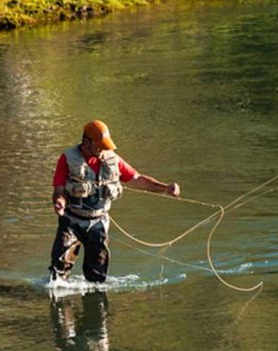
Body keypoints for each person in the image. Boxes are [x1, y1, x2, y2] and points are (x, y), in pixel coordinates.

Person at [49, 120, 180, 283]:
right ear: (87, 141)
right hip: (71, 221)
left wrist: (165, 188)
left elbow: (137, 179)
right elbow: (59, 190)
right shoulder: (67, 159)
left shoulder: (112, 159)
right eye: (99, 145)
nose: (103, 149)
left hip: (98, 222)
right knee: (58, 274)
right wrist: (59, 203)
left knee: (97, 278)